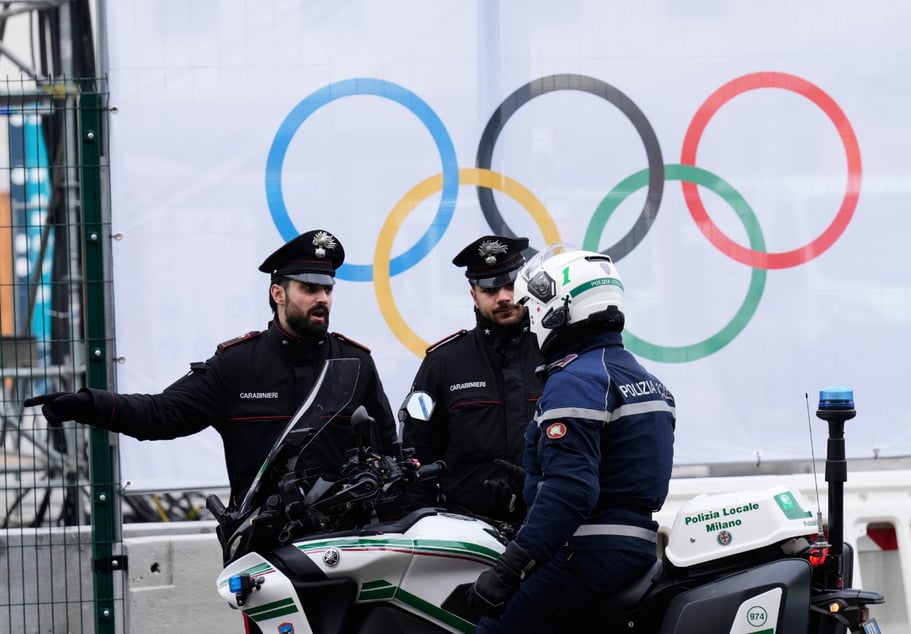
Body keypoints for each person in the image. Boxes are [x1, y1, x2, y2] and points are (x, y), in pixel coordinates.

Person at [24, 229, 399, 510]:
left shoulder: (355, 364)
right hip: (267, 546)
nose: (322, 299)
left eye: (327, 289)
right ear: (278, 294)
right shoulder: (237, 365)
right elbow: (161, 415)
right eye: (309, 288)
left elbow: (391, 452)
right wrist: (86, 405)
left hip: (348, 541)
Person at [466, 243, 676, 633]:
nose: (530, 322)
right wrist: (530, 480)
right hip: (635, 548)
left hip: (587, 552)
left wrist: (508, 569)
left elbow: (572, 492)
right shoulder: (646, 380)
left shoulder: (576, 381)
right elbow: (618, 470)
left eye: (533, 309)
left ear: (557, 307)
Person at [399, 235, 545, 526]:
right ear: (473, 295)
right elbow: (416, 456)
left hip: (548, 527)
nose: (503, 297)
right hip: (466, 533)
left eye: (509, 285)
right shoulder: (444, 363)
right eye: (490, 288)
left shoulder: (555, 354)